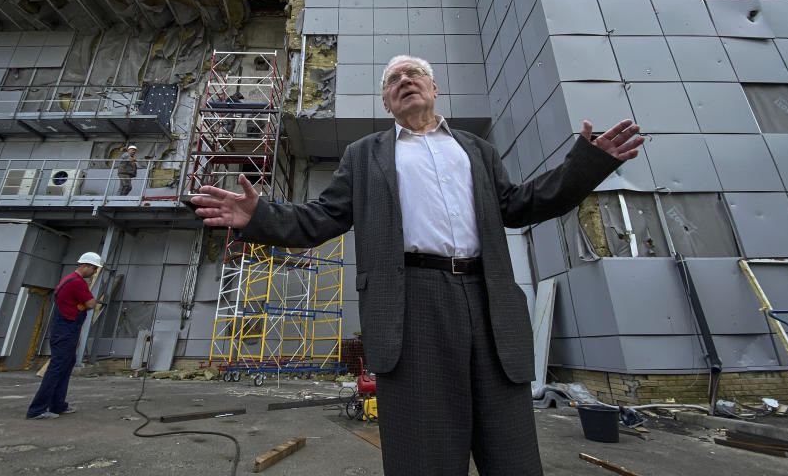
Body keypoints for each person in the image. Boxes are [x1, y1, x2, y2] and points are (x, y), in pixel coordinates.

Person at [189, 55, 643, 475]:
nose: (404, 81)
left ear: (433, 87)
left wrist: (587, 164)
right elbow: (322, 217)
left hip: (488, 299)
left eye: (414, 74)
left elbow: (522, 204)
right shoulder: (365, 154)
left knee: (511, 448)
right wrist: (261, 215)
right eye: (393, 80)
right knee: (425, 447)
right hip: (411, 301)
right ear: (387, 100)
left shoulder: (476, 150)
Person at [26, 252, 102, 420]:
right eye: (94, 269)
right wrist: (84, 304)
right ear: (86, 266)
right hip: (66, 329)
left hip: (65, 327)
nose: (94, 272)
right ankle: (37, 409)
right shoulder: (77, 282)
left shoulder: (67, 280)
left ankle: (58, 405)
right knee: (57, 368)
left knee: (65, 366)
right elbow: (91, 304)